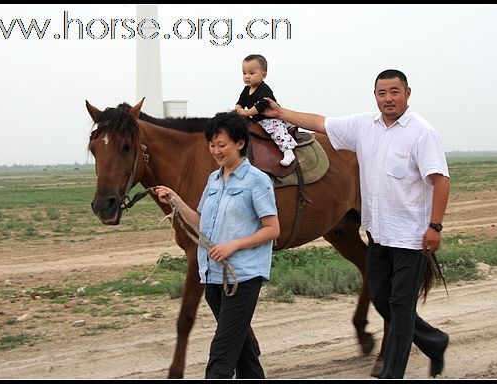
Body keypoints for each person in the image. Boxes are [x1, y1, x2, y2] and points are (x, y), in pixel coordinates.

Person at [262, 69, 450, 379]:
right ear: (375, 95)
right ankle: (434, 340)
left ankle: (393, 374)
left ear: (407, 93)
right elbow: (321, 123)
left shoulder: (421, 132)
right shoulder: (364, 126)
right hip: (378, 234)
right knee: (382, 301)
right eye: (382, 92)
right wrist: (280, 112)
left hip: (411, 236)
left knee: (400, 309)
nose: (388, 98)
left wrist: (435, 226)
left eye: (394, 91)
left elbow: (440, 181)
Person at [152, 112, 280, 379]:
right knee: (245, 355)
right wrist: (174, 199)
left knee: (220, 359)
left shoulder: (256, 180)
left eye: (222, 145)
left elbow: (272, 229)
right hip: (212, 277)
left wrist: (234, 245)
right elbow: (200, 222)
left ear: (240, 144)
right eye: (212, 145)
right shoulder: (213, 180)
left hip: (242, 279)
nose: (216, 151)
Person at [234, 54, 298, 166]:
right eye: (244, 73)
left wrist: (247, 112)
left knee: (277, 132)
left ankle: (288, 151)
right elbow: (240, 102)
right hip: (258, 121)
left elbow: (261, 105)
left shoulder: (264, 89)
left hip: (270, 118)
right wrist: (238, 109)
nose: (247, 76)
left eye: (251, 73)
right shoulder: (246, 89)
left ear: (263, 75)